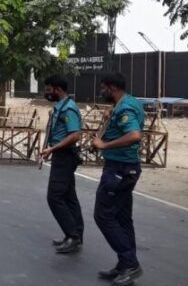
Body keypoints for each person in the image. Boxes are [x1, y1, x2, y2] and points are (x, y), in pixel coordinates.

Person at [91, 73, 145, 286]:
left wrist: (104, 145)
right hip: (126, 167)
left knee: (103, 215)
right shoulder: (129, 103)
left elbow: (134, 135)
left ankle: (130, 263)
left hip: (120, 169)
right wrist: (108, 118)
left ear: (112, 87)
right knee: (122, 218)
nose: (102, 91)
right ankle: (125, 264)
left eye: (104, 88)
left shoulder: (125, 108)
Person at [40, 75, 84, 254]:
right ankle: (75, 235)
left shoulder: (69, 109)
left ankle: (73, 236)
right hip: (61, 154)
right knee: (68, 197)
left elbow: (75, 135)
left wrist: (52, 148)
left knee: (54, 197)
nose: (47, 93)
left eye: (49, 89)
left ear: (58, 89)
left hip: (65, 156)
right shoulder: (60, 108)